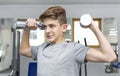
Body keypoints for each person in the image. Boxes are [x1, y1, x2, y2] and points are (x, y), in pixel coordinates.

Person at [20, 6, 117, 76]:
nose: (47, 31)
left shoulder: (74, 49)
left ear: (64, 28)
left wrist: (93, 26)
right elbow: (23, 50)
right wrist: (27, 29)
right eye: (45, 27)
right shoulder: (41, 48)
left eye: (52, 26)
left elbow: (109, 57)